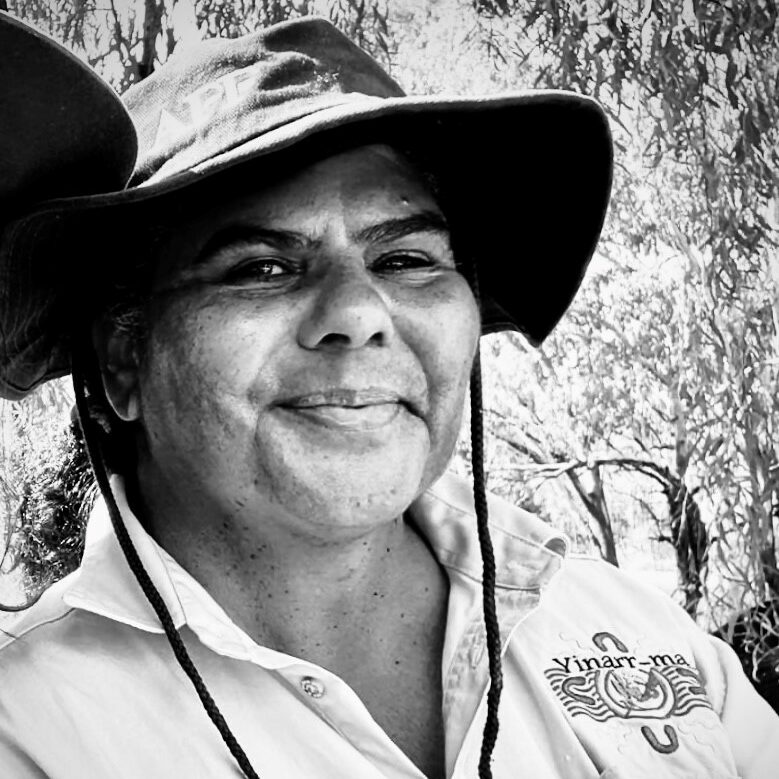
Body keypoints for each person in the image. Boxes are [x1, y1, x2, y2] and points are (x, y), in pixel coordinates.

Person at [0, 10, 777, 779]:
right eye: (260, 268)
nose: (359, 312)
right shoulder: (33, 726)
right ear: (123, 362)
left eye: (405, 259)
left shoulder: (640, 637)